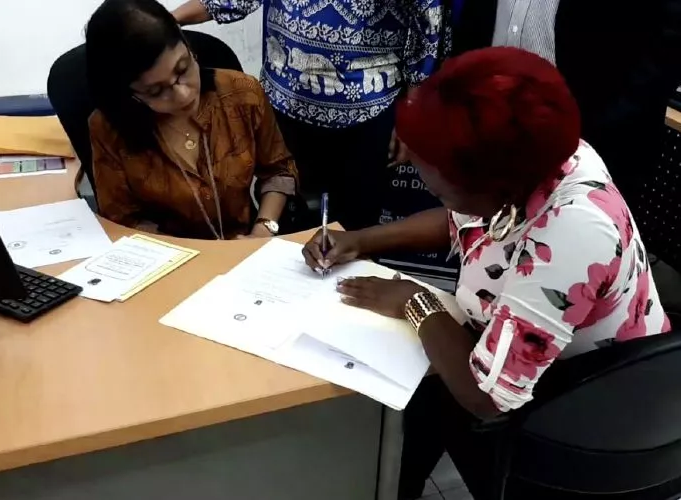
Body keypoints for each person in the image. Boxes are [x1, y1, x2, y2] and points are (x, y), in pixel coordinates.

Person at [301, 47, 672, 500]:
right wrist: (361, 240)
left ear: (488, 185)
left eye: (437, 185)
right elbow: (462, 218)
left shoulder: (568, 233)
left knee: (415, 399)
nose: (427, 186)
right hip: (527, 352)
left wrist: (415, 303)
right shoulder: (543, 156)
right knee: (412, 403)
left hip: (583, 409)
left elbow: (487, 396)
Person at [172, 0, 447, 230]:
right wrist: (167, 21)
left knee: (355, 226)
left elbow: (428, 29)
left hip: (367, 114)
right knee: (281, 216)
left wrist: (413, 110)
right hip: (283, 107)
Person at [86, 0, 298, 240]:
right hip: (167, 255)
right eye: (156, 91)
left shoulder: (242, 94)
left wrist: (263, 229)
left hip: (244, 247)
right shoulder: (108, 129)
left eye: (183, 69)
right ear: (129, 94)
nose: (183, 95)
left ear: (186, 45)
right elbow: (123, 220)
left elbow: (278, 171)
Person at [450, 0, 681, 212]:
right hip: (486, 132)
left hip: (593, 143)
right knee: (476, 233)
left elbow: (670, 37)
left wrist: (610, 118)